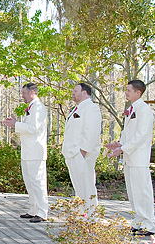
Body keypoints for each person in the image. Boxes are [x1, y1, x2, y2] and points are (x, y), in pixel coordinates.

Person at [106, 80, 155, 237]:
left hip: (139, 159)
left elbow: (141, 135)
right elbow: (129, 134)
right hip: (129, 158)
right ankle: (138, 222)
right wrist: (118, 144)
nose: (126, 93)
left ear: (138, 93)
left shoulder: (144, 110)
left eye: (128, 90)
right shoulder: (131, 109)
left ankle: (148, 224)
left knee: (143, 192)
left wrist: (123, 148)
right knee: (133, 193)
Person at [2, 82, 48, 223]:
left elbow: (34, 128)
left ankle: (42, 212)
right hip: (27, 151)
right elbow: (28, 126)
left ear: (32, 92)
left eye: (24, 93)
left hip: (35, 152)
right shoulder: (32, 107)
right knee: (29, 182)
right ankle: (33, 209)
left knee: (38, 182)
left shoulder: (39, 107)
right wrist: (16, 122)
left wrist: (16, 125)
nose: (22, 96)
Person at [62, 83, 102, 213]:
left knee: (87, 186)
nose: (73, 93)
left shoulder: (91, 108)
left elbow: (92, 131)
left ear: (85, 92)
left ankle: (91, 217)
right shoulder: (77, 109)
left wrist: (83, 151)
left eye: (75, 91)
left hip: (83, 154)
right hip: (72, 153)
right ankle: (82, 215)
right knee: (79, 187)